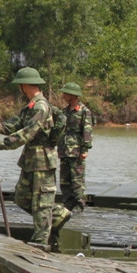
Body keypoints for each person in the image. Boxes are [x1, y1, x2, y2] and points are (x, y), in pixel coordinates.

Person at [0, 67, 71, 251]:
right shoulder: (31, 106)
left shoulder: (40, 106)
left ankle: (40, 242)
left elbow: (27, 133)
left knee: (41, 203)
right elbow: (16, 124)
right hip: (30, 160)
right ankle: (59, 213)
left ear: (24, 85)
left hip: (42, 161)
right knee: (22, 198)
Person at [58, 81, 93, 213]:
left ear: (73, 95)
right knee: (64, 180)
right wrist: (59, 148)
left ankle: (79, 205)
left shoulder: (84, 111)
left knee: (77, 180)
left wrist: (85, 149)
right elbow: (61, 130)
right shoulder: (65, 111)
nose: (63, 95)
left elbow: (87, 130)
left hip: (77, 150)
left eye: (65, 93)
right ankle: (67, 204)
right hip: (65, 150)